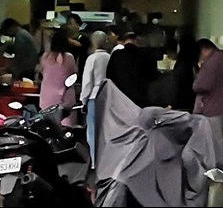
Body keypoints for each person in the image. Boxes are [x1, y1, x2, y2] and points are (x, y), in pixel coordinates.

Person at [193, 38, 223, 168]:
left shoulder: (212, 62)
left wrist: (197, 79)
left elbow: (202, 85)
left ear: (204, 50)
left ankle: (221, 176)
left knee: (215, 149)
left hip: (214, 111)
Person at [80, 30, 110, 168]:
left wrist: (83, 100)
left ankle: (94, 161)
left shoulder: (92, 59)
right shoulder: (110, 57)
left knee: (92, 131)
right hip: (109, 97)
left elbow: (87, 82)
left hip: (94, 97)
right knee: (107, 130)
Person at [106, 32, 159, 108]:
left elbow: (109, 76)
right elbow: (153, 76)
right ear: (136, 41)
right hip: (140, 98)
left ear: (124, 42)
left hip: (120, 98)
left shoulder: (116, 55)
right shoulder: (146, 56)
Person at [39, 31, 77, 127]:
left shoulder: (45, 57)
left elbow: (42, 72)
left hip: (46, 99)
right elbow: (74, 73)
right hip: (64, 99)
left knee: (47, 126)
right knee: (65, 128)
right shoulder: (69, 58)